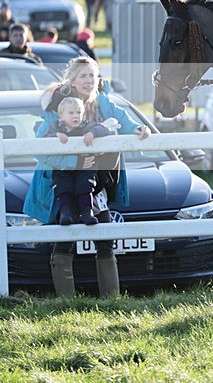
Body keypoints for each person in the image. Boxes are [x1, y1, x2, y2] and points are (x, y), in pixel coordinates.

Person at [23, 56, 151, 298]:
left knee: (104, 234)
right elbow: (40, 149)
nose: (89, 80)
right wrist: (76, 161)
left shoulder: (103, 103)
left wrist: (137, 128)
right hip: (64, 184)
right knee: (65, 236)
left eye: (93, 75)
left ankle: (111, 300)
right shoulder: (55, 109)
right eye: (83, 76)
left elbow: (123, 119)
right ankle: (66, 301)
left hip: (96, 183)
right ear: (71, 79)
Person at [43, 97, 118, 225]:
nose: (75, 116)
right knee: (63, 186)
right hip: (63, 169)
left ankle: (87, 212)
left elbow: (105, 129)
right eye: (71, 113)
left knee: (85, 186)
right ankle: (66, 214)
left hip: (85, 167)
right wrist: (56, 136)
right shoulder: (56, 127)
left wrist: (92, 133)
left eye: (79, 113)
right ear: (61, 116)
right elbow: (44, 140)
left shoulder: (86, 126)